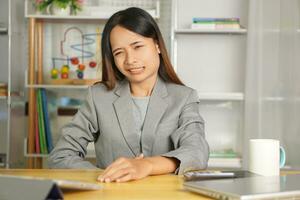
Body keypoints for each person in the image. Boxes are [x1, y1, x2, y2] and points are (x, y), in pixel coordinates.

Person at [48, 7, 209, 183]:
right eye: (119, 52)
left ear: (157, 45)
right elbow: (61, 156)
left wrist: (147, 165)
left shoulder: (184, 97)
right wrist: (107, 176)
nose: (130, 60)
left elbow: (197, 152)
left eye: (137, 46)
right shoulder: (98, 97)